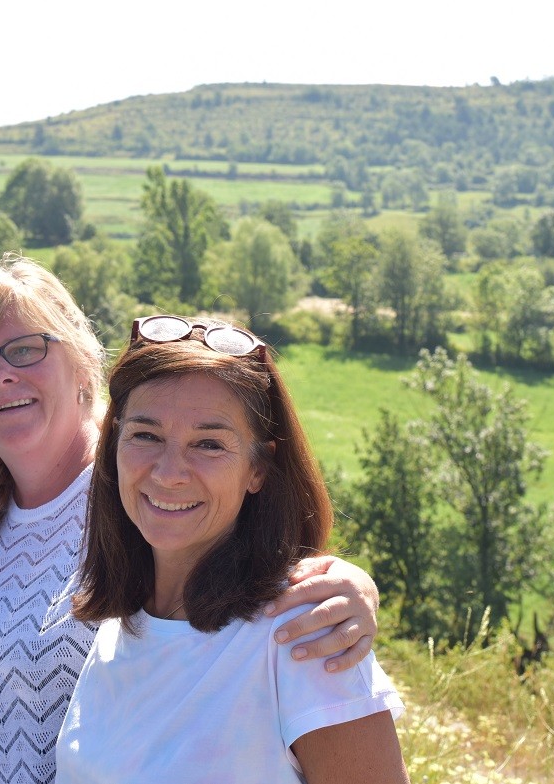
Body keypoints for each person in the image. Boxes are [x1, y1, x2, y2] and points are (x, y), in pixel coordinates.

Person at [0, 259, 382, 784]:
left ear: (83, 357)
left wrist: (347, 586)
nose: (168, 473)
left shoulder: (296, 634)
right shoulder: (119, 608)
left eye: (25, 349)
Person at [56, 316, 409, 783]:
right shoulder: (121, 627)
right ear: (115, 445)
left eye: (208, 444)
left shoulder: (304, 632)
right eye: (146, 435)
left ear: (258, 469)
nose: (168, 472)